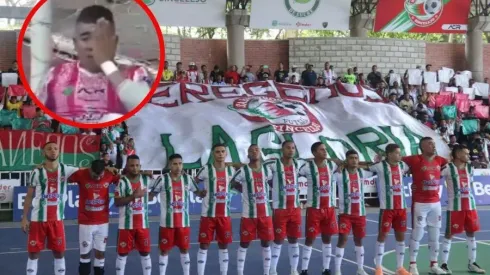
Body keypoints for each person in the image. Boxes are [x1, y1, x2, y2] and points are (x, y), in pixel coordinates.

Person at [37, 5, 151, 123]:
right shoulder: (55, 76)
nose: (94, 45)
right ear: (75, 44)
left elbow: (148, 111)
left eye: (101, 39)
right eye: (86, 39)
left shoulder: (135, 74)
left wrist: (106, 64)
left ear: (115, 42)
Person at [22, 142, 80, 275]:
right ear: (43, 153)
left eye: (55, 148)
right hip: (38, 220)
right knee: (33, 253)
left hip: (57, 220)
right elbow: (29, 196)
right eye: (49, 149)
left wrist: (109, 169)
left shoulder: (66, 169)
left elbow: (88, 169)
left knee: (59, 252)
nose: (52, 151)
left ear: (59, 152)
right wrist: (24, 218)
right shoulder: (37, 172)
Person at [150, 154, 206, 275]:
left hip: (183, 223)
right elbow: (150, 196)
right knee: (164, 251)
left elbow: (199, 193)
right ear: (170, 165)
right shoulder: (162, 179)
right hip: (166, 223)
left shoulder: (188, 179)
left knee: (184, 250)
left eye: (180, 163)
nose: (178, 166)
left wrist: (205, 192)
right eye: (175, 164)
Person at [403, 137, 448, 275]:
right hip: (420, 203)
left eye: (433, 143)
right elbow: (395, 165)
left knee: (435, 235)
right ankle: (412, 265)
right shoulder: (413, 160)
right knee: (418, 234)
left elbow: (450, 170)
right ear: (422, 146)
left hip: (436, 203)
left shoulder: (441, 160)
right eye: (430, 143)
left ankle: (433, 265)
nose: (433, 146)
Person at [68, 160, 119, 275]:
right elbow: (64, 176)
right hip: (86, 222)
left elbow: (127, 177)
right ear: (90, 169)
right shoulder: (81, 174)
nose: (97, 178)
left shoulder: (109, 174)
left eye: (99, 176)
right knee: (85, 253)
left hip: (103, 223)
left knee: (100, 253)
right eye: (94, 175)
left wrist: (144, 173)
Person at [439, 145, 485, 274]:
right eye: (466, 153)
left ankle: (472, 263)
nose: (468, 156)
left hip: (470, 207)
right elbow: (431, 176)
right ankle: (443, 264)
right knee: (449, 235)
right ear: (458, 155)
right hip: (455, 208)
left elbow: (469, 185)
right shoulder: (448, 169)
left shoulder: (470, 168)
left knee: (471, 234)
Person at [367, 144, 411, 275]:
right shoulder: (380, 166)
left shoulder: (403, 165)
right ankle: (378, 268)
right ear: (389, 154)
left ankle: (400, 268)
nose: (400, 155)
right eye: (397, 153)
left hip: (401, 208)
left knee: (401, 237)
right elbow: (365, 166)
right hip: (387, 208)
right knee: (382, 236)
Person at [231, 145, 274, 275]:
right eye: (251, 150)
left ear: (260, 153)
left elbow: (272, 183)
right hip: (248, 214)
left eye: (257, 150)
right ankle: (240, 272)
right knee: (244, 243)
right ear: (248, 155)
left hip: (265, 214)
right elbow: (233, 182)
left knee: (266, 243)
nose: (254, 152)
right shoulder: (243, 171)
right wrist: (243, 190)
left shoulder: (267, 170)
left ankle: (266, 272)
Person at [298, 142, 339, 275]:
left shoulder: (332, 165)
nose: (325, 152)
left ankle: (326, 269)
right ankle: (304, 269)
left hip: (329, 209)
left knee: (327, 238)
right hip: (314, 209)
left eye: (325, 150)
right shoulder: (307, 167)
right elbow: (293, 175)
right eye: (321, 150)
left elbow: (342, 163)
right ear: (314, 152)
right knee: (310, 239)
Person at [265, 141, 305, 275]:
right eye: (288, 148)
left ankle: (294, 270)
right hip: (280, 209)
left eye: (293, 148)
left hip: (295, 209)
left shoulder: (298, 164)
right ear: (282, 150)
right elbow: (258, 169)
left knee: (294, 239)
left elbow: (314, 163)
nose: (291, 150)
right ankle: (272, 270)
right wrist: (273, 185)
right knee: (278, 239)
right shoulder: (273, 164)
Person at [195, 144, 235, 275]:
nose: (220, 154)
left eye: (223, 151)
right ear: (213, 154)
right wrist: (199, 192)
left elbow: (237, 184)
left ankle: (223, 273)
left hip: (224, 214)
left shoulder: (231, 171)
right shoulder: (206, 169)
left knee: (223, 245)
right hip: (208, 214)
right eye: (217, 152)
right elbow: (193, 182)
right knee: (204, 245)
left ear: (226, 153)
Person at [114, 155, 154, 275]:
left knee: (145, 253)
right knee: (122, 253)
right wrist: (133, 196)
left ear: (140, 166)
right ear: (127, 166)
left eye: (137, 165)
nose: (135, 168)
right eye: (132, 165)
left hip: (143, 225)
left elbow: (162, 185)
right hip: (126, 226)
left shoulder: (147, 180)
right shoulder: (122, 182)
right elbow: (117, 202)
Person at [333, 150, 371, 275]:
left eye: (356, 158)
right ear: (346, 160)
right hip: (345, 214)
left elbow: (374, 167)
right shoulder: (339, 174)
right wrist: (338, 164)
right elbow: (329, 174)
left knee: (359, 240)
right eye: (351, 158)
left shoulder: (362, 173)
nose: (354, 160)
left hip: (360, 214)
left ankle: (360, 269)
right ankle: (338, 270)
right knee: (342, 239)